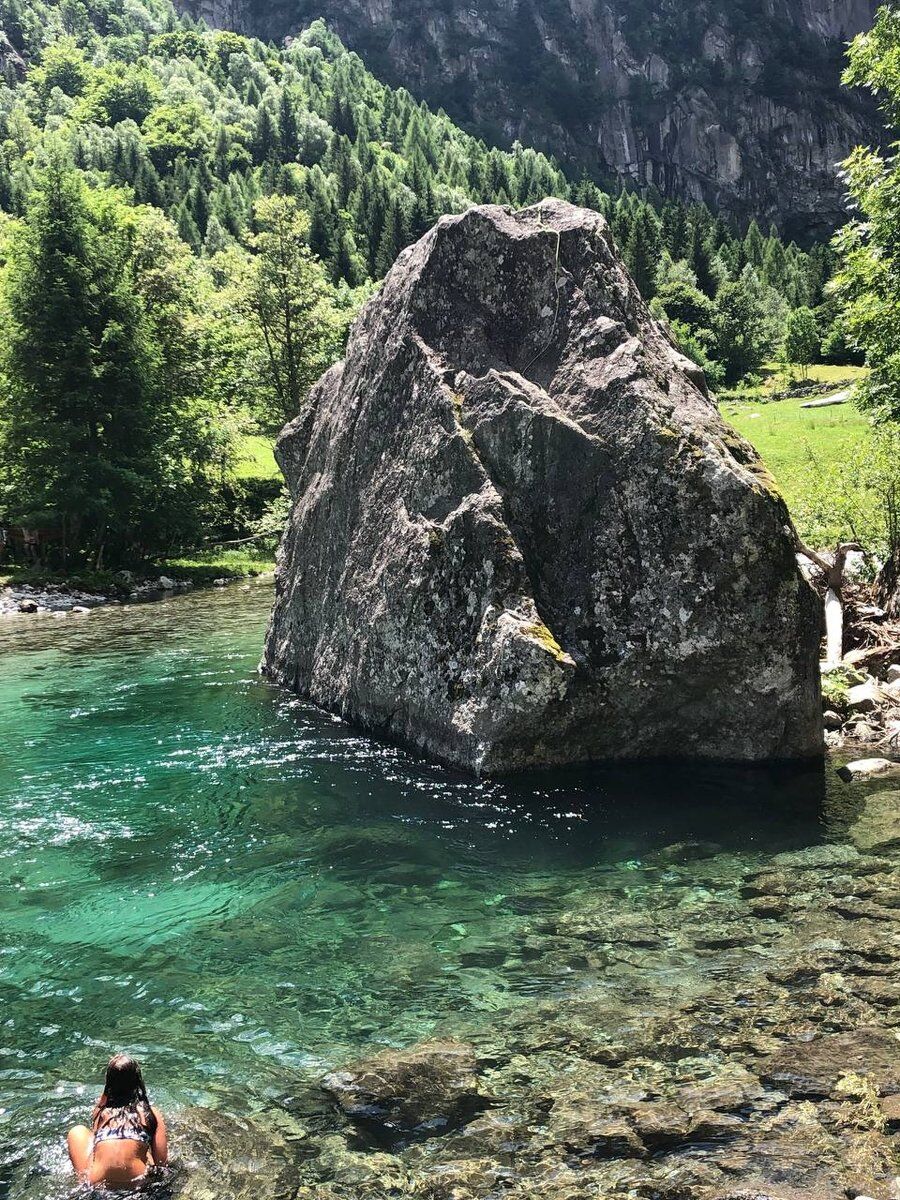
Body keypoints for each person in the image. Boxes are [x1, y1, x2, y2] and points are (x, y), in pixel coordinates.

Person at [67, 1053, 168, 1188]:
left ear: (108, 1082)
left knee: (78, 1132)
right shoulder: (149, 1112)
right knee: (146, 1153)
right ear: (137, 1081)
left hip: (97, 1182)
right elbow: (161, 1162)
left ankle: (82, 1184)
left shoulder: (101, 1111)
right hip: (137, 1181)